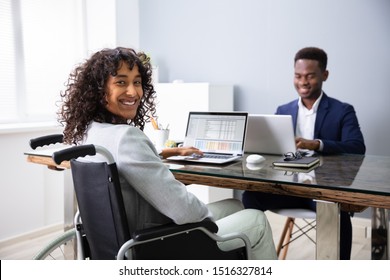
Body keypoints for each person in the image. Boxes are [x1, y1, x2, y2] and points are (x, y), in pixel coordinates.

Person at [58, 47, 277, 260]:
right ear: (99, 90)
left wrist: (163, 153)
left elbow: (129, 163)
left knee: (235, 206)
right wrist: (208, 225)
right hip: (153, 245)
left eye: (137, 82)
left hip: (119, 244)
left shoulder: (89, 134)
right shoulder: (127, 138)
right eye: (121, 82)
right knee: (255, 219)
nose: (133, 92)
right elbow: (183, 211)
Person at [243, 47, 365, 260]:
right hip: (287, 188)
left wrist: (316, 144)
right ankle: (259, 260)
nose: (303, 82)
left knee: (336, 210)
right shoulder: (283, 110)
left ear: (324, 75)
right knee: (250, 196)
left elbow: (357, 147)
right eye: (298, 76)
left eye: (310, 76)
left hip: (322, 191)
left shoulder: (343, 110)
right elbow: (271, 150)